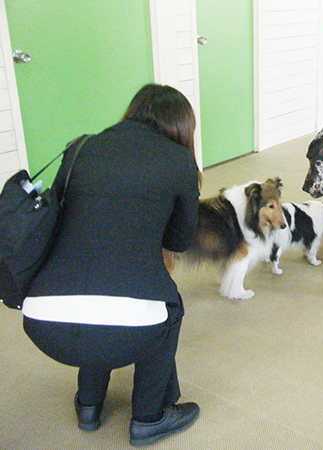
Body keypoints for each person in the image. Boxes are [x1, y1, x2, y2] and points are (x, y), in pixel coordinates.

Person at [21, 84, 201, 447]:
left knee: (98, 285)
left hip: (41, 319)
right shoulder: (178, 161)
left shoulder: (80, 146)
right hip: (126, 329)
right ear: (182, 126)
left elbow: (56, 216)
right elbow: (180, 241)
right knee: (170, 308)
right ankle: (149, 419)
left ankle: (88, 406)